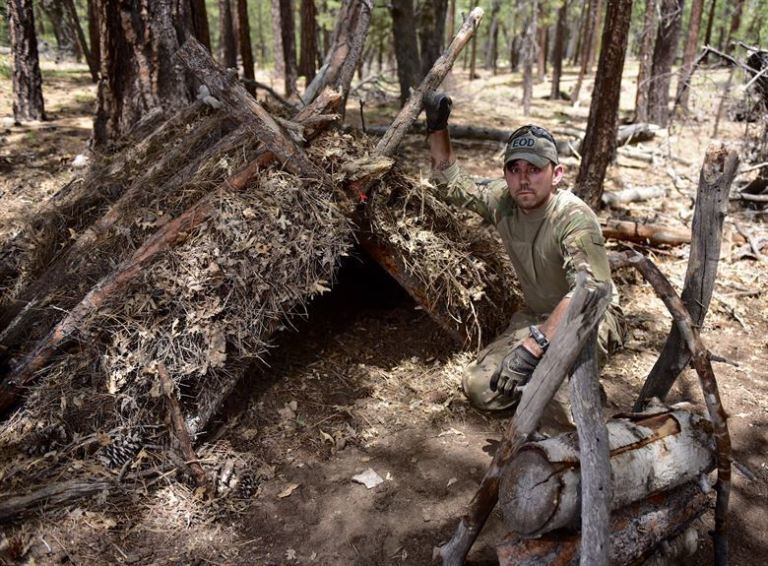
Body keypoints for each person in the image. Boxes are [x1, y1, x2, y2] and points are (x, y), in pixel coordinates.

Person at [423, 92, 624, 425]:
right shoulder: (503, 200)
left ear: (556, 173)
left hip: (590, 317)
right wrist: (436, 125)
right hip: (537, 314)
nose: (524, 178)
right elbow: (450, 183)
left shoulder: (573, 217)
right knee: (480, 387)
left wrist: (535, 344)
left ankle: (565, 394)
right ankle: (544, 386)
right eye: (514, 169)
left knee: (555, 404)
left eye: (534, 169)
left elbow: (589, 291)